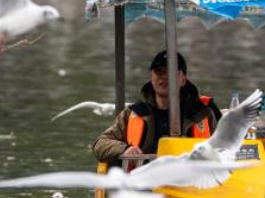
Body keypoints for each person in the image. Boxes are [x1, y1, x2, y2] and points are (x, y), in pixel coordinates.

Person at [92, 51, 223, 165]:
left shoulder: (204, 113)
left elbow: (227, 149)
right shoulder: (132, 113)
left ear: (183, 79)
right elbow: (100, 144)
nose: (164, 76)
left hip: (194, 186)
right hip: (143, 187)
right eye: (159, 71)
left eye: (171, 71)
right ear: (151, 77)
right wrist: (125, 149)